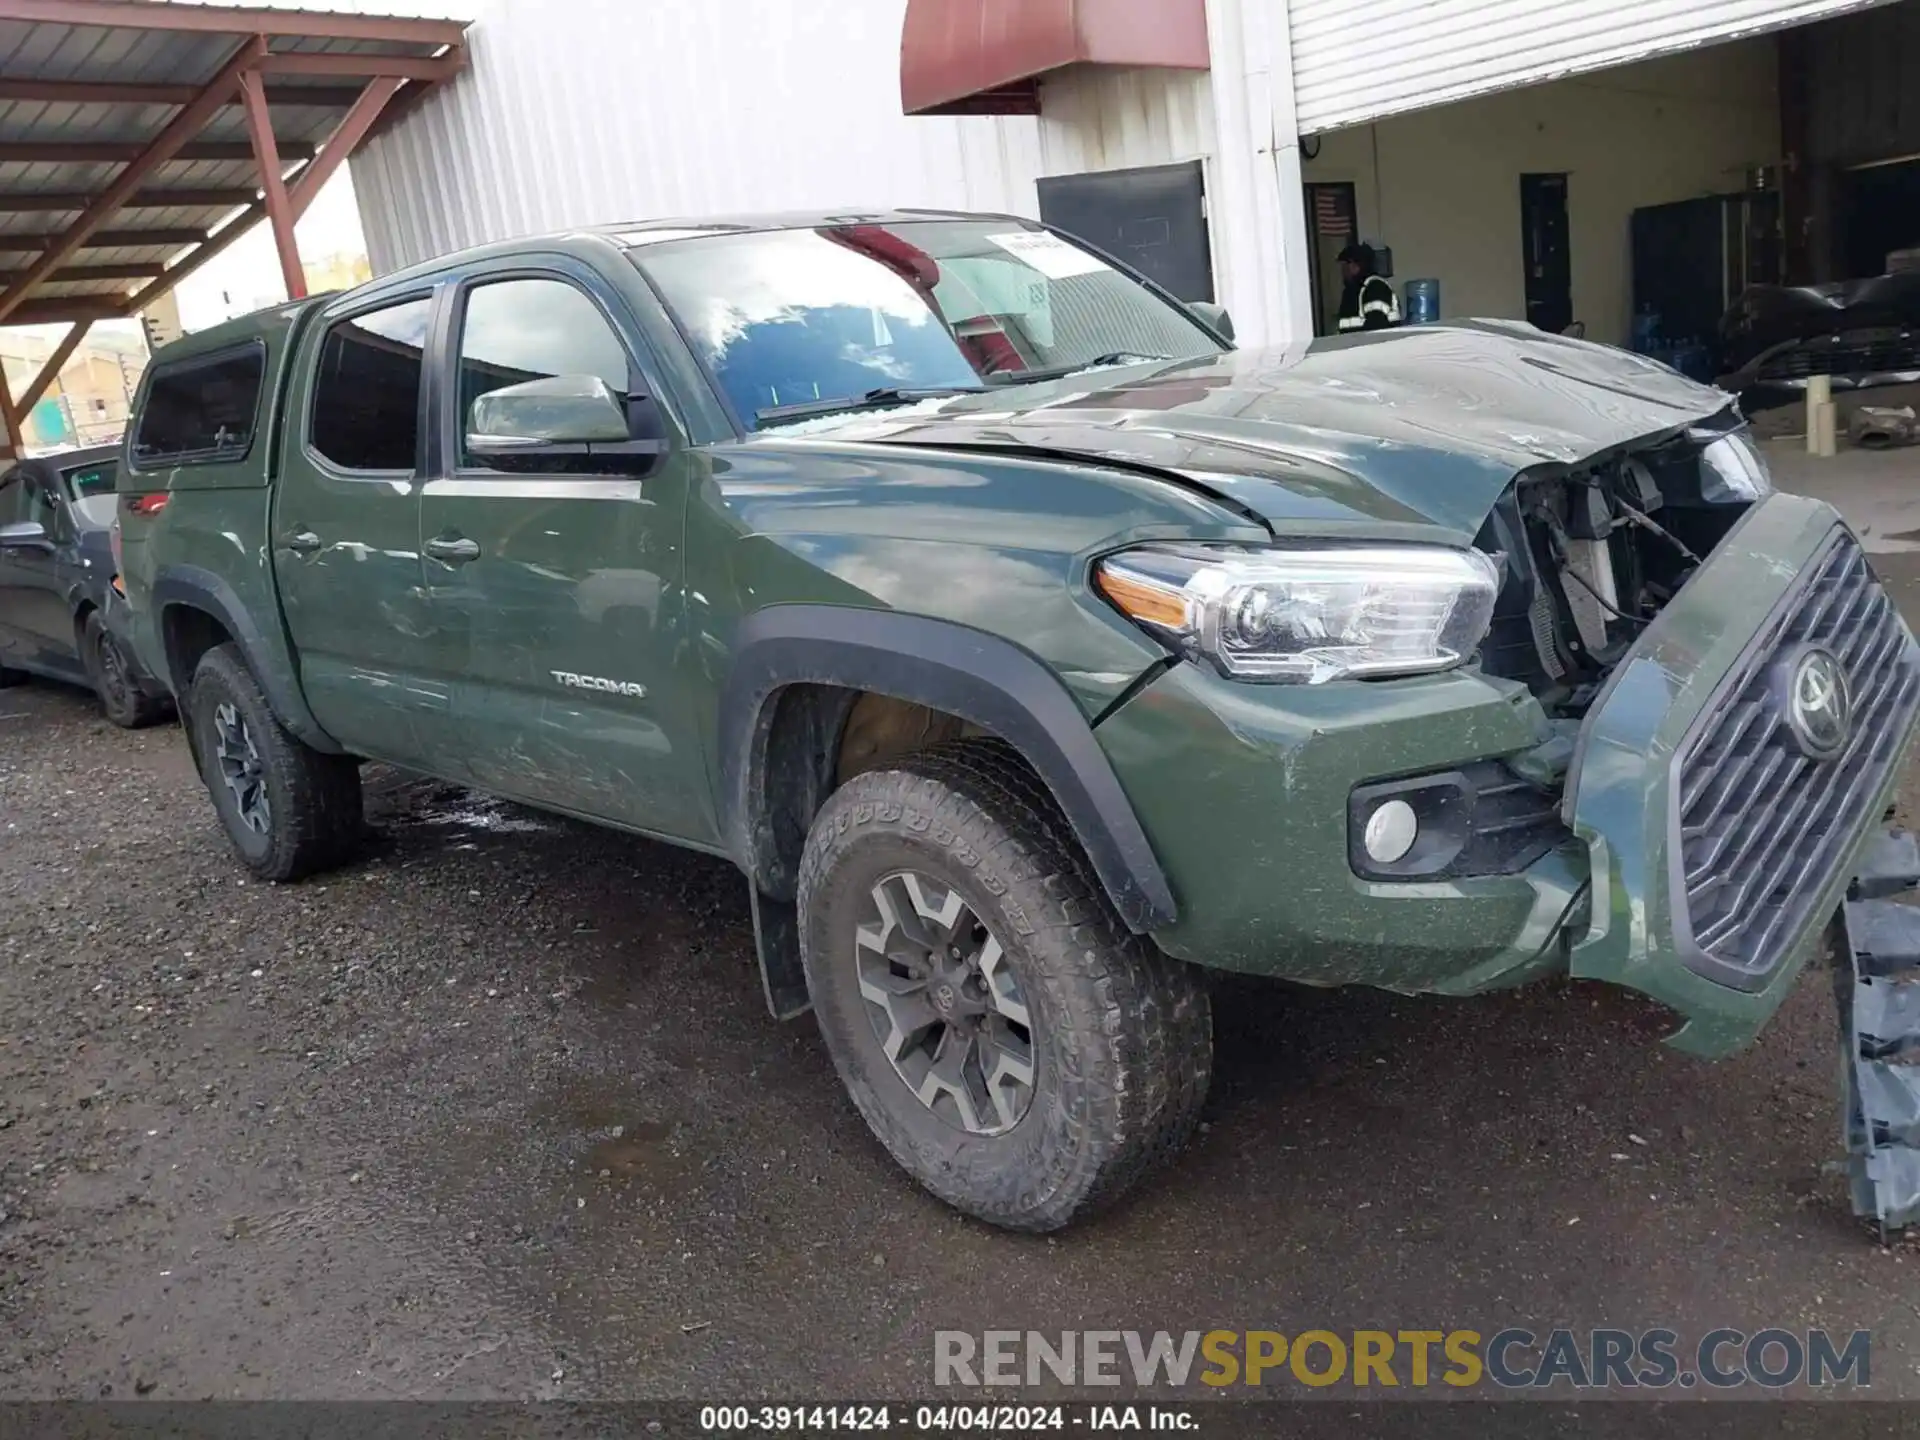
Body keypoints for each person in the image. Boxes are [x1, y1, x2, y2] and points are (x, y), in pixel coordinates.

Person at [1335, 242, 1399, 332]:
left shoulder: (1375, 287)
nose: (1342, 271)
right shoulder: (1352, 291)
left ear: (1355, 265)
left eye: (1344, 266)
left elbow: (1377, 326)